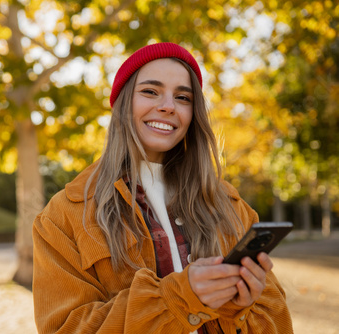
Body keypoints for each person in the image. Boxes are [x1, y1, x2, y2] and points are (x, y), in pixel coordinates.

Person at [32, 42, 292, 333]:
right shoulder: (64, 215)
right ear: (122, 104)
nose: (168, 106)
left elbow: (277, 320)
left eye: (183, 97)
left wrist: (237, 308)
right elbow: (66, 328)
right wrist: (180, 297)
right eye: (150, 91)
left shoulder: (230, 205)